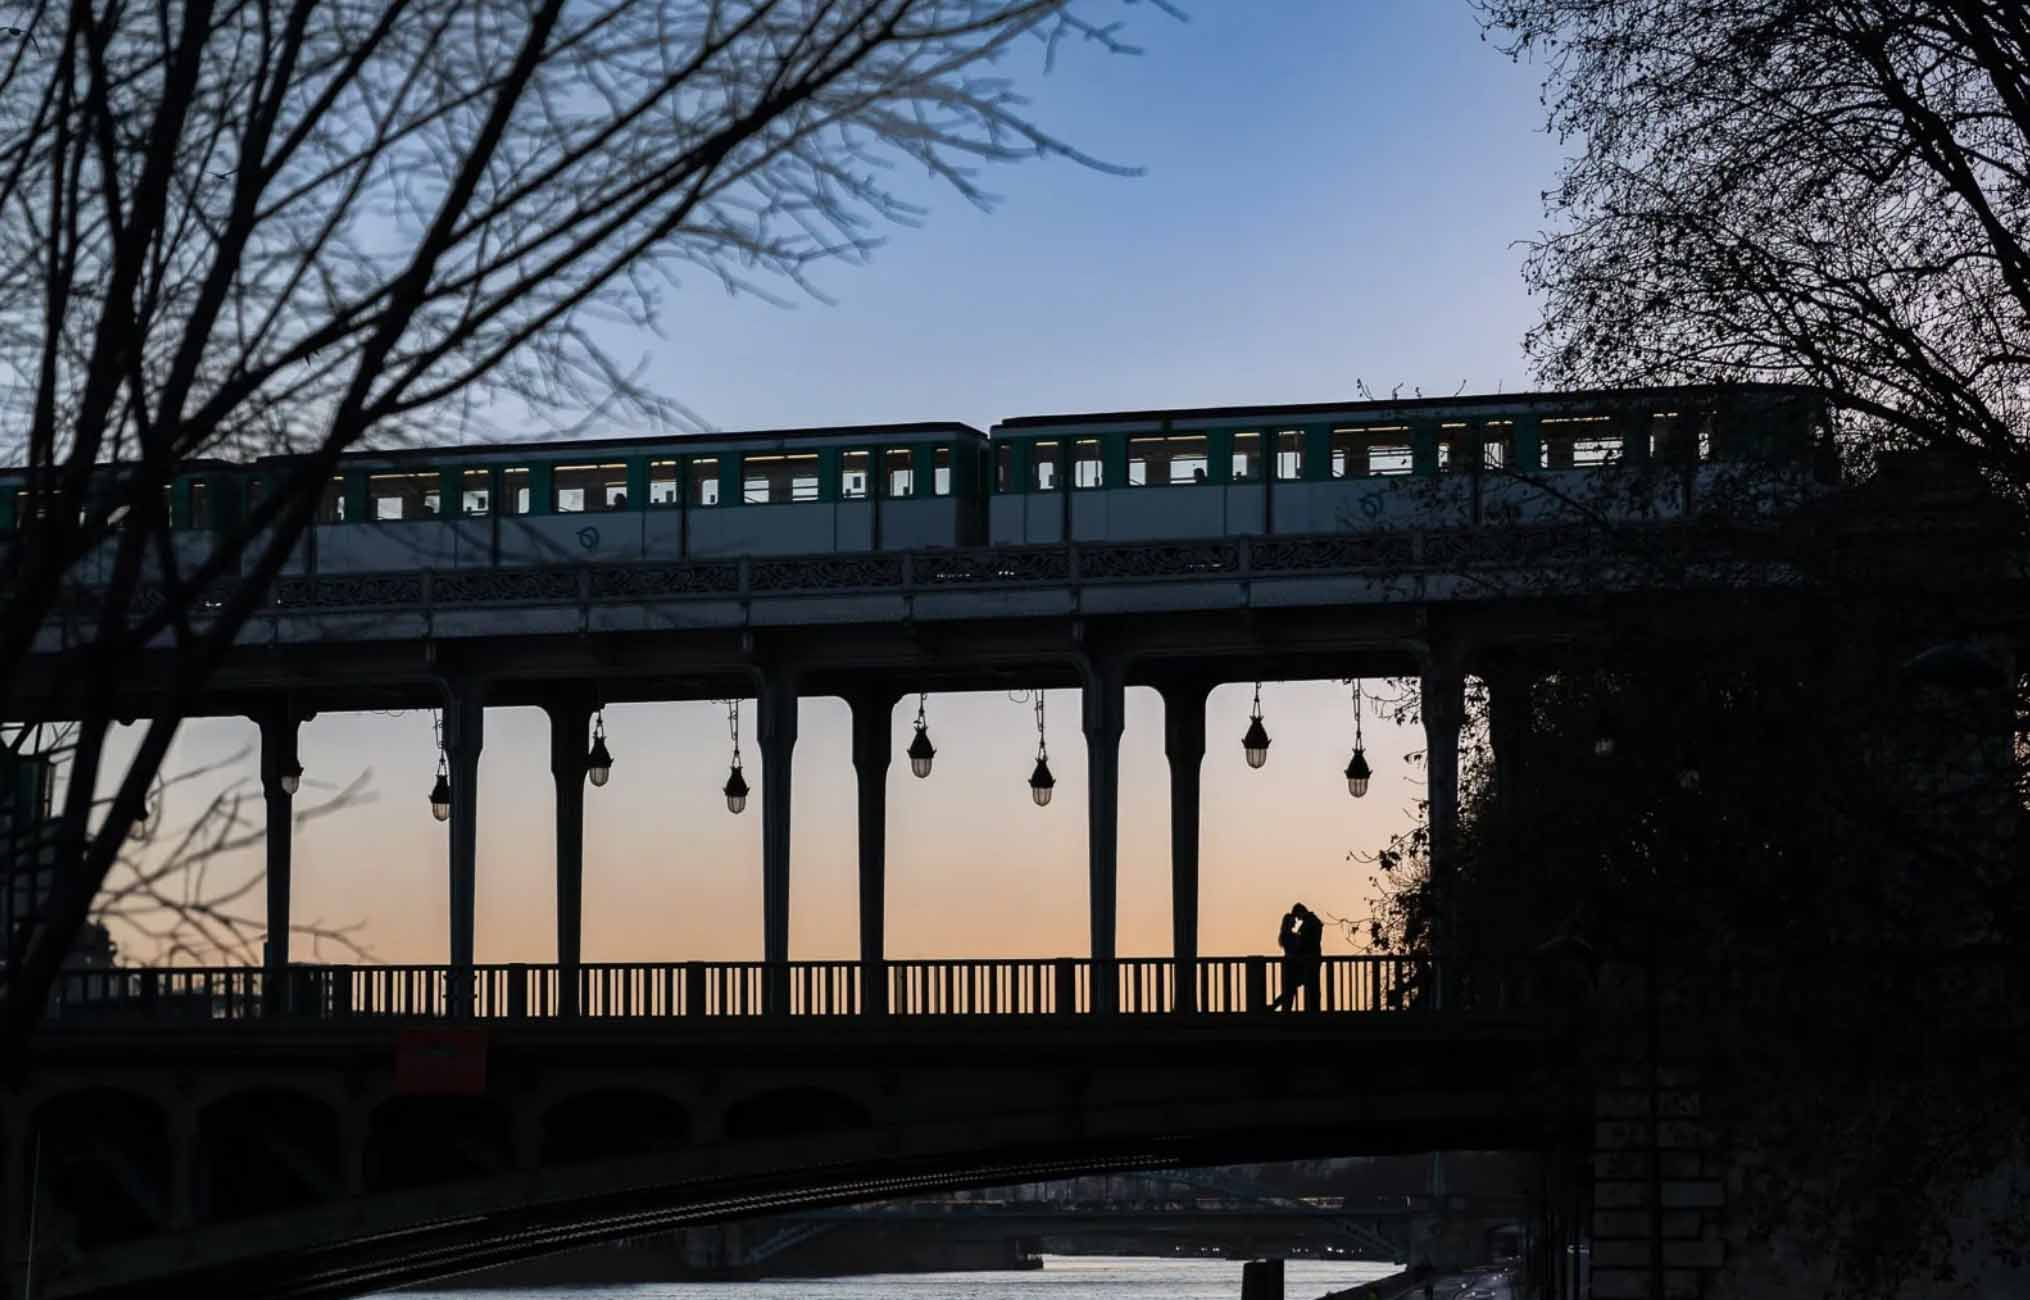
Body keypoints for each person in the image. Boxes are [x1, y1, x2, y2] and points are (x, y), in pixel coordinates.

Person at [1291, 903, 1325, 1012]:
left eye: (1297, 915)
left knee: (1311, 984)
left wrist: (1298, 945)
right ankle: (1313, 1009)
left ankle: (1312, 1010)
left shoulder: (1310, 922)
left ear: (1300, 912)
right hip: (1313, 957)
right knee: (1312, 984)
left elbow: (1307, 941)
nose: (1297, 919)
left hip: (1310, 958)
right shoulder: (1312, 921)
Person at [1268, 908, 1302, 1011]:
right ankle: (1277, 1008)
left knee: (1289, 991)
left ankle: (1277, 1007)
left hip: (1291, 964)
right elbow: (1293, 948)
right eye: (1293, 921)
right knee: (1289, 991)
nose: (1295, 922)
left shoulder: (1287, 935)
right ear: (1288, 922)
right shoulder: (1287, 935)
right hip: (1290, 965)